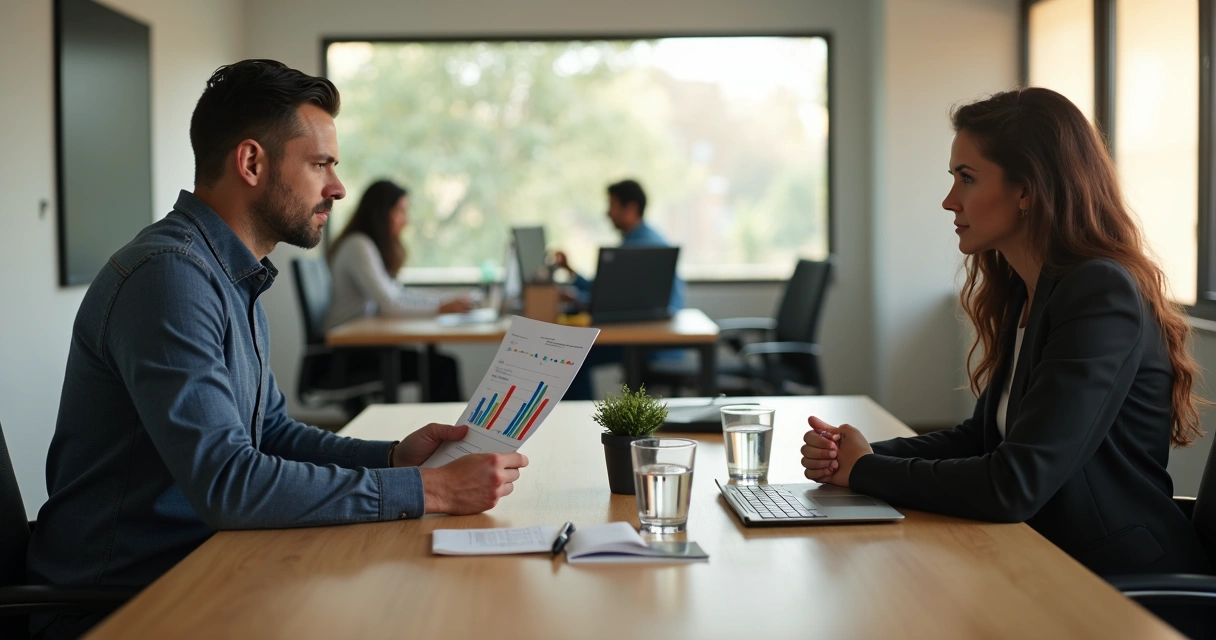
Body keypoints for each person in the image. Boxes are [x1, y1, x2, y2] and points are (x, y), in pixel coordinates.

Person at [25, 59, 527, 639]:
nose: (337, 187)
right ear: (251, 163)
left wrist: (393, 459)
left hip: (202, 566)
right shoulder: (170, 278)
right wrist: (430, 489)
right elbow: (228, 484)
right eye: (320, 164)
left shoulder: (229, 274)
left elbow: (271, 434)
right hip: (123, 603)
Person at [800, 87, 1210, 578]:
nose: (949, 201)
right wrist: (852, 455)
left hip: (1118, 579)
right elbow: (982, 439)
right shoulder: (1030, 288)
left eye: (967, 178)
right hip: (1044, 557)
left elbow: (1015, 483)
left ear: (1026, 191)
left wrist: (866, 469)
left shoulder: (1099, 293)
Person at [324, 179, 472, 401]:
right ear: (381, 213)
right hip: (347, 356)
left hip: (364, 347)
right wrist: (441, 307)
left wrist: (444, 302)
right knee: (442, 367)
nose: (406, 220)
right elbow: (390, 304)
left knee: (439, 365)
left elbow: (398, 294)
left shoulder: (367, 246)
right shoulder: (358, 246)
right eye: (400, 211)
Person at [555, 179, 686, 399]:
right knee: (571, 355)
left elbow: (610, 299)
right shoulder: (639, 242)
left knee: (570, 358)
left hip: (650, 343)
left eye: (612, 205)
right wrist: (572, 274)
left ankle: (578, 415)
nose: (607, 213)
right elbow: (605, 289)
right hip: (641, 334)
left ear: (630, 209)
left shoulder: (642, 248)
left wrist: (580, 299)